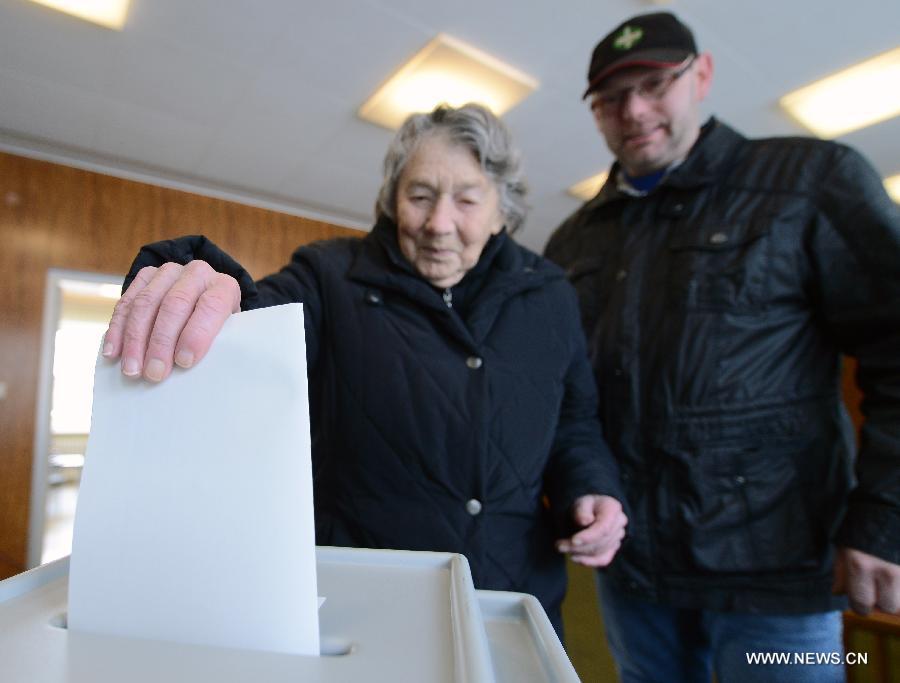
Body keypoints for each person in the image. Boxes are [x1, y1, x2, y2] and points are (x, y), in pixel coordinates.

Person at [102, 103, 628, 636]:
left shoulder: (551, 295)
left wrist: (591, 489)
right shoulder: (331, 274)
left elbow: (575, 423)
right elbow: (255, 325)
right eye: (420, 196)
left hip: (511, 599)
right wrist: (208, 287)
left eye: (467, 199)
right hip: (367, 602)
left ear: (502, 211)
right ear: (393, 200)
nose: (439, 224)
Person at [544, 10, 900, 683]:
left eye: (655, 83)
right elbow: (569, 400)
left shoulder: (807, 181)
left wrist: (886, 515)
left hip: (777, 577)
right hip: (636, 577)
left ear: (701, 75)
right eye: (611, 98)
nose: (635, 110)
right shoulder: (573, 241)